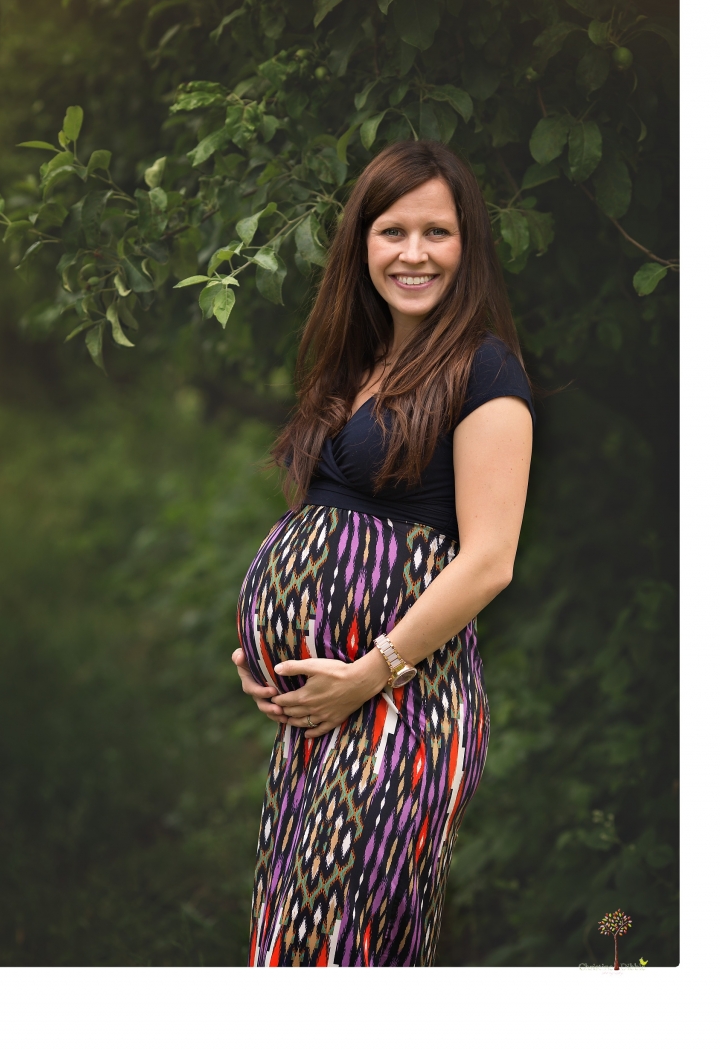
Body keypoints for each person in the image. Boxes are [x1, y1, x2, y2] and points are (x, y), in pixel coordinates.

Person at [232, 140, 534, 967]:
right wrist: (268, 651)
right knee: (291, 942)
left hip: (404, 710)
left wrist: (369, 673)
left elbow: (489, 560)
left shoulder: (486, 370)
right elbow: (327, 527)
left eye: (436, 232)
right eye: (392, 230)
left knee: (335, 949)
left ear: (467, 244)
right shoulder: (360, 365)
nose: (413, 253)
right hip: (323, 716)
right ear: (361, 242)